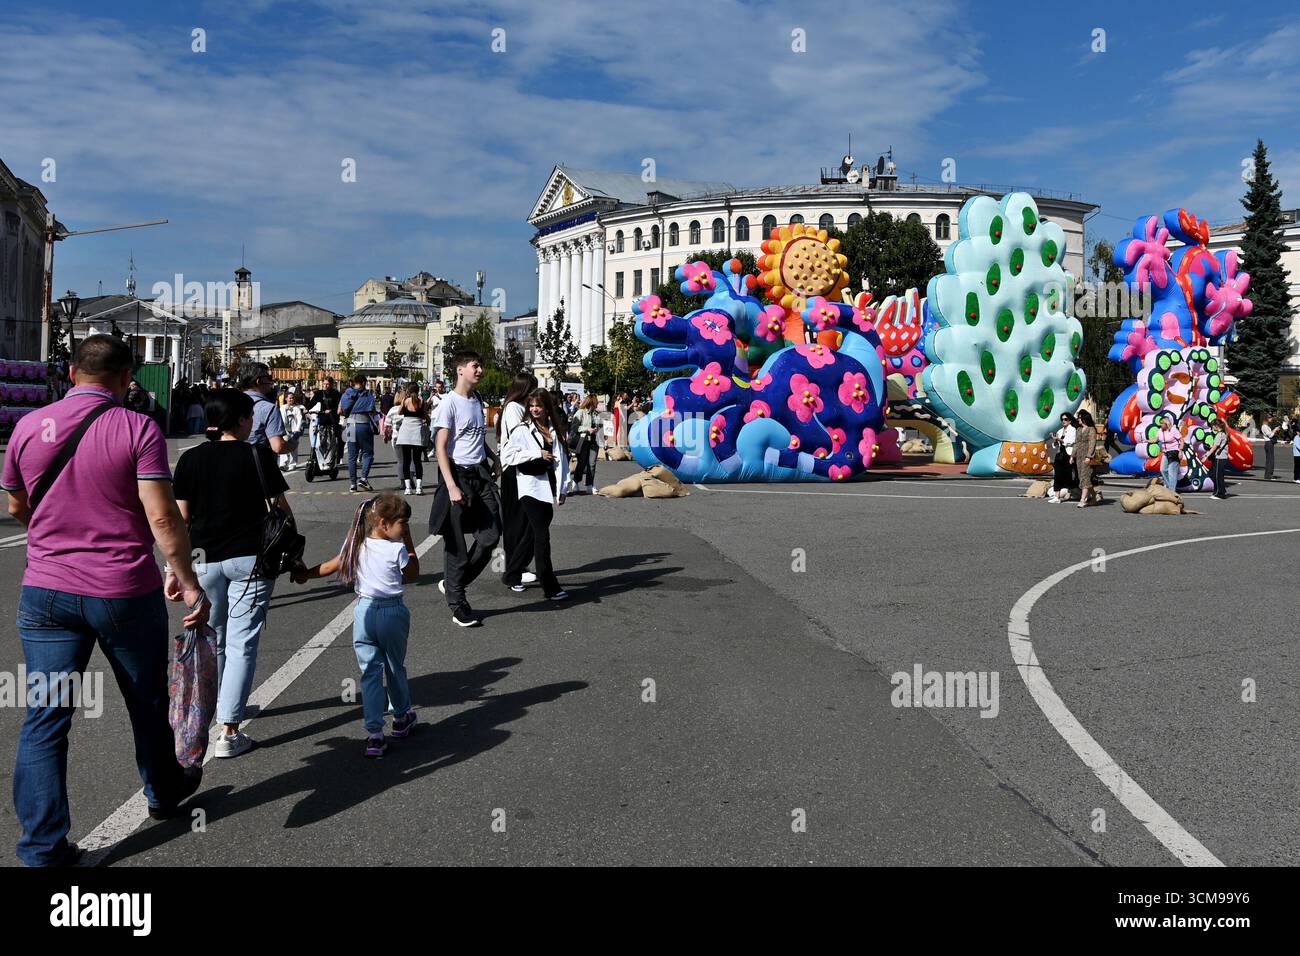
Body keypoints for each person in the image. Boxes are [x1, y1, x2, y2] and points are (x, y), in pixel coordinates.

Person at [2, 334, 210, 865]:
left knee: (46, 717)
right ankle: (163, 792)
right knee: (145, 702)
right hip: (122, 589)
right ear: (126, 378)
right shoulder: (137, 427)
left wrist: (52, 537)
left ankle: (42, 847)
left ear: (71, 374)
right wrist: (185, 577)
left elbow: (17, 505)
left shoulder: (27, 426)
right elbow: (162, 516)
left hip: (46, 591)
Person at [173, 389, 291, 759]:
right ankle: (229, 729)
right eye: (249, 417)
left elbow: (180, 520)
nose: (252, 422)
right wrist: (293, 556)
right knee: (243, 642)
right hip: (250, 557)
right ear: (240, 420)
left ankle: (217, 709)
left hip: (202, 557)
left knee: (217, 637)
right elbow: (282, 510)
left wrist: (172, 569)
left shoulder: (190, 459)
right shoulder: (258, 455)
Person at [294, 493, 418, 757]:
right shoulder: (397, 549)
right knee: (395, 666)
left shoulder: (357, 546)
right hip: (391, 611)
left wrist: (305, 574)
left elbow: (330, 566)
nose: (406, 527)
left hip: (363, 611)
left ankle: (374, 733)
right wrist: (408, 542)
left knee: (370, 671)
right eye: (403, 523)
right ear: (385, 524)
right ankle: (400, 716)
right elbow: (414, 572)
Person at [428, 350, 499, 628]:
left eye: (480, 365)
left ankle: (454, 582)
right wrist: (451, 486)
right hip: (457, 476)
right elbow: (441, 447)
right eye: (475, 365)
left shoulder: (477, 400)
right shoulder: (448, 403)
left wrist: (494, 458)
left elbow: (475, 438)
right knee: (455, 543)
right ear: (460, 370)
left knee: (491, 535)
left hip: (480, 475)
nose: (479, 370)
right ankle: (458, 604)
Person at [501, 389, 571, 601]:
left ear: (546, 406)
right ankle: (549, 585)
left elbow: (561, 460)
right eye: (531, 406)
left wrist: (563, 489)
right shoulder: (522, 429)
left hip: (548, 486)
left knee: (533, 534)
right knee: (542, 536)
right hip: (529, 487)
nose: (534, 409)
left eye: (538, 405)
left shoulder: (554, 428)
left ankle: (512, 574)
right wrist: (535, 453)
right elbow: (508, 455)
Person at [497, 373, 539, 589]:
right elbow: (520, 437)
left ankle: (518, 566)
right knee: (516, 522)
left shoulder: (521, 407)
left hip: (525, 467)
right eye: (532, 388)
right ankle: (512, 570)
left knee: (526, 521)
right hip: (514, 467)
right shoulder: (513, 408)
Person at [241, 364, 293, 461]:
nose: (271, 381)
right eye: (269, 378)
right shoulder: (269, 408)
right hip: (258, 465)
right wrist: (292, 445)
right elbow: (278, 446)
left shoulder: (231, 403)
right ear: (259, 381)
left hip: (232, 463)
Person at [340, 374, 379, 493]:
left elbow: (342, 409)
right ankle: (363, 478)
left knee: (352, 456)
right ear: (363, 383)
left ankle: (353, 484)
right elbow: (372, 410)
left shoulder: (347, 393)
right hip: (363, 424)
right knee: (368, 453)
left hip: (351, 423)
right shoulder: (368, 394)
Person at [394, 386, 430, 495]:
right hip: (417, 432)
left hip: (406, 432)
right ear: (418, 391)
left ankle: (408, 488)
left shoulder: (405, 401)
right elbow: (424, 415)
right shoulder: (421, 401)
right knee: (417, 460)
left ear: (409, 391)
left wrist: (403, 402)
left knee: (406, 461)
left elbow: (399, 412)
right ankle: (419, 487)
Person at [571, 393, 601, 495]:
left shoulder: (596, 414)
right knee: (582, 463)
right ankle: (575, 481)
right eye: (596, 401)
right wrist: (587, 429)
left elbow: (600, 426)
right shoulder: (580, 412)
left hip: (594, 441)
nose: (598, 403)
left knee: (592, 464)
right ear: (592, 402)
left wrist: (599, 430)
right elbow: (574, 428)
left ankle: (590, 485)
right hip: (583, 441)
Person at [1048, 413, 1077, 504]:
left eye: (1065, 419)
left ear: (1070, 420)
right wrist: (1055, 440)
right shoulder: (1060, 431)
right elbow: (1055, 445)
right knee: (1058, 475)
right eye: (1062, 419)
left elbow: (1070, 442)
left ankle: (1076, 492)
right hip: (1059, 455)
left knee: (1069, 475)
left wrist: (1059, 439)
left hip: (1068, 455)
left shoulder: (1073, 430)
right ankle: (1057, 497)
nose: (1063, 421)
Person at [1074, 410, 1100, 508]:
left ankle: (1083, 500)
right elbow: (1076, 443)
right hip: (1079, 457)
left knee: (1085, 477)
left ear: (1085, 418)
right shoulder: (1079, 429)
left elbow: (1092, 444)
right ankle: (1095, 496)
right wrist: (1072, 456)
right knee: (1083, 478)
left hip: (1087, 456)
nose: (1078, 419)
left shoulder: (1091, 429)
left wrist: (1089, 456)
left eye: (1080, 417)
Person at [1157, 412, 1183, 492]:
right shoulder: (1160, 431)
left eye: (1162, 424)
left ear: (1166, 424)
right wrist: (1147, 441)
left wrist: (1180, 451)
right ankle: (1169, 487)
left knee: (1172, 472)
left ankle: (1172, 491)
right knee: (1163, 470)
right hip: (1165, 453)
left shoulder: (1173, 430)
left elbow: (1181, 440)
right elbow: (1156, 439)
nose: (1160, 425)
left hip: (1174, 452)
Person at [280, 391, 305, 471]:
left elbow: (299, 418)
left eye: (292, 398)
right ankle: (283, 463)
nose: (291, 399)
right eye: (290, 398)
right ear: (286, 398)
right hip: (285, 429)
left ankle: (292, 463)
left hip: (294, 430)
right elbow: (282, 419)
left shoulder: (296, 408)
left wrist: (297, 429)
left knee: (293, 446)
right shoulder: (282, 407)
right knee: (283, 445)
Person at [1208, 418, 1230, 500]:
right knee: (1219, 475)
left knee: (1217, 476)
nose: (1212, 427)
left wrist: (1206, 456)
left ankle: (1220, 494)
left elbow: (1214, 447)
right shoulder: (1224, 434)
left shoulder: (1219, 434)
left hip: (1220, 457)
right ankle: (1221, 491)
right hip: (1223, 457)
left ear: (1216, 426)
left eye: (1212, 426)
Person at [1261, 415, 1278, 480]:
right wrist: (1275, 430)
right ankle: (1269, 475)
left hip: (1269, 443)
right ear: (1266, 419)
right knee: (1270, 460)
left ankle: (1268, 475)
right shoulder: (1264, 426)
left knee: (1269, 460)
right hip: (1268, 443)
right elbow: (1270, 435)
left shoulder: (1266, 426)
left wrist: (1275, 430)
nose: (1271, 419)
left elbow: (1270, 433)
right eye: (1270, 418)